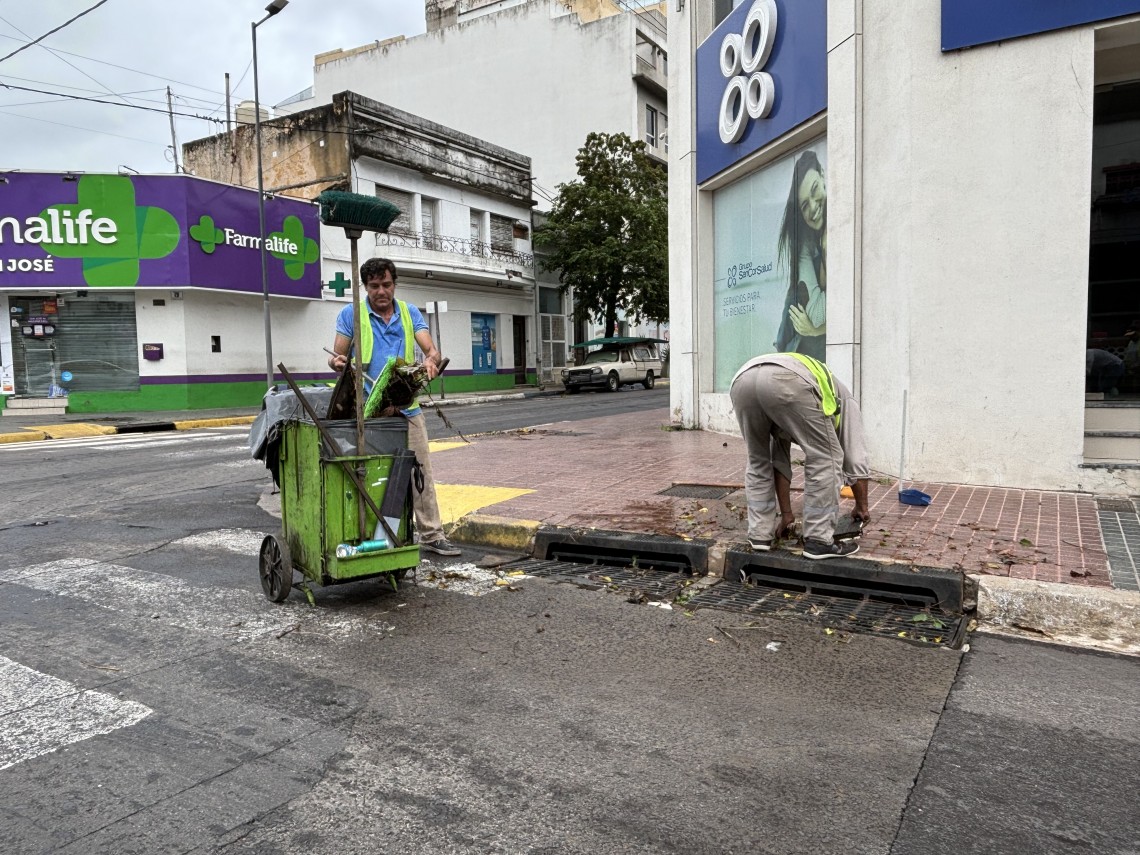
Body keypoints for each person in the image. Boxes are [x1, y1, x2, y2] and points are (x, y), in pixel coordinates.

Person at [328, 257, 461, 556]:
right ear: (365, 287)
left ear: (394, 284)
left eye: (386, 285)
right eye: (374, 286)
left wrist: (431, 361)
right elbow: (336, 356)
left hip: (405, 405)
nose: (381, 291)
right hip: (368, 411)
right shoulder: (350, 314)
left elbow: (432, 350)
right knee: (368, 474)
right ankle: (368, 536)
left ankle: (432, 535)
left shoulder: (409, 312)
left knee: (420, 471)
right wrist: (337, 362)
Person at [729, 352, 871, 560]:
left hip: (743, 379)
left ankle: (759, 535)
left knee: (759, 460)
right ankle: (818, 540)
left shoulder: (797, 404)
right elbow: (855, 459)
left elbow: (778, 463)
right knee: (825, 457)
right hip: (787, 382)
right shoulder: (847, 401)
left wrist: (787, 515)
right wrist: (862, 506)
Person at [774, 150, 827, 361]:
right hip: (798, 354)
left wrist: (816, 330)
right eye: (804, 205)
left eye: (814, 189)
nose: (813, 207)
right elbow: (817, 314)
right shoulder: (805, 245)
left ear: (823, 176)